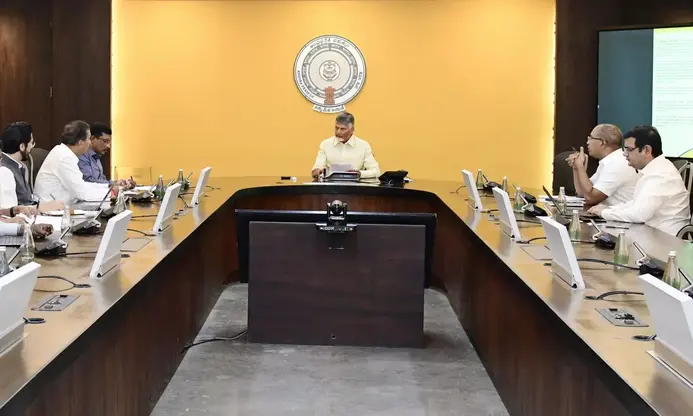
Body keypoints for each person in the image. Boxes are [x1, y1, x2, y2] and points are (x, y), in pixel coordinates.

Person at [589, 126, 691, 236]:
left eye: (629, 149)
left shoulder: (661, 175)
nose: (624, 154)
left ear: (646, 151)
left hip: (666, 239)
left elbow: (639, 214)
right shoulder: (654, 169)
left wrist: (604, 212)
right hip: (652, 233)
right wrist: (609, 209)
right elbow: (635, 204)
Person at [34, 120, 111, 204]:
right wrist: (111, 194)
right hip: (50, 209)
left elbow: (82, 185)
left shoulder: (64, 152)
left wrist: (108, 188)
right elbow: (81, 193)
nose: (90, 143)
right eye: (89, 139)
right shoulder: (64, 157)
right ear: (80, 142)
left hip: (63, 206)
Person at [566, 124, 638, 208]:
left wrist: (580, 167)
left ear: (602, 142)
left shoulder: (618, 163)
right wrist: (576, 167)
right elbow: (582, 193)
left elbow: (590, 198)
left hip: (620, 215)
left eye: (590, 138)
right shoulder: (607, 162)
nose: (587, 142)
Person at [0, 125, 64, 212]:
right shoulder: (5, 171)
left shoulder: (17, 166)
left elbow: (26, 200)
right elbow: (9, 212)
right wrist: (43, 207)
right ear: (22, 146)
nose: (32, 147)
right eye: (31, 143)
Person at [311, 112, 380, 179]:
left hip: (355, 185)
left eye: (342, 129)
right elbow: (317, 167)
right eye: (336, 128)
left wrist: (359, 173)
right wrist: (317, 171)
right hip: (331, 185)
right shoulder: (325, 144)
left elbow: (376, 171)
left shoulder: (363, 146)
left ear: (352, 130)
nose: (338, 132)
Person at [77, 122, 133, 187]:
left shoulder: (96, 156)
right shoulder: (82, 155)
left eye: (109, 142)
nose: (108, 146)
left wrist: (120, 183)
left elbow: (101, 180)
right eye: (105, 141)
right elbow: (88, 181)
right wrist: (114, 184)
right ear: (92, 138)